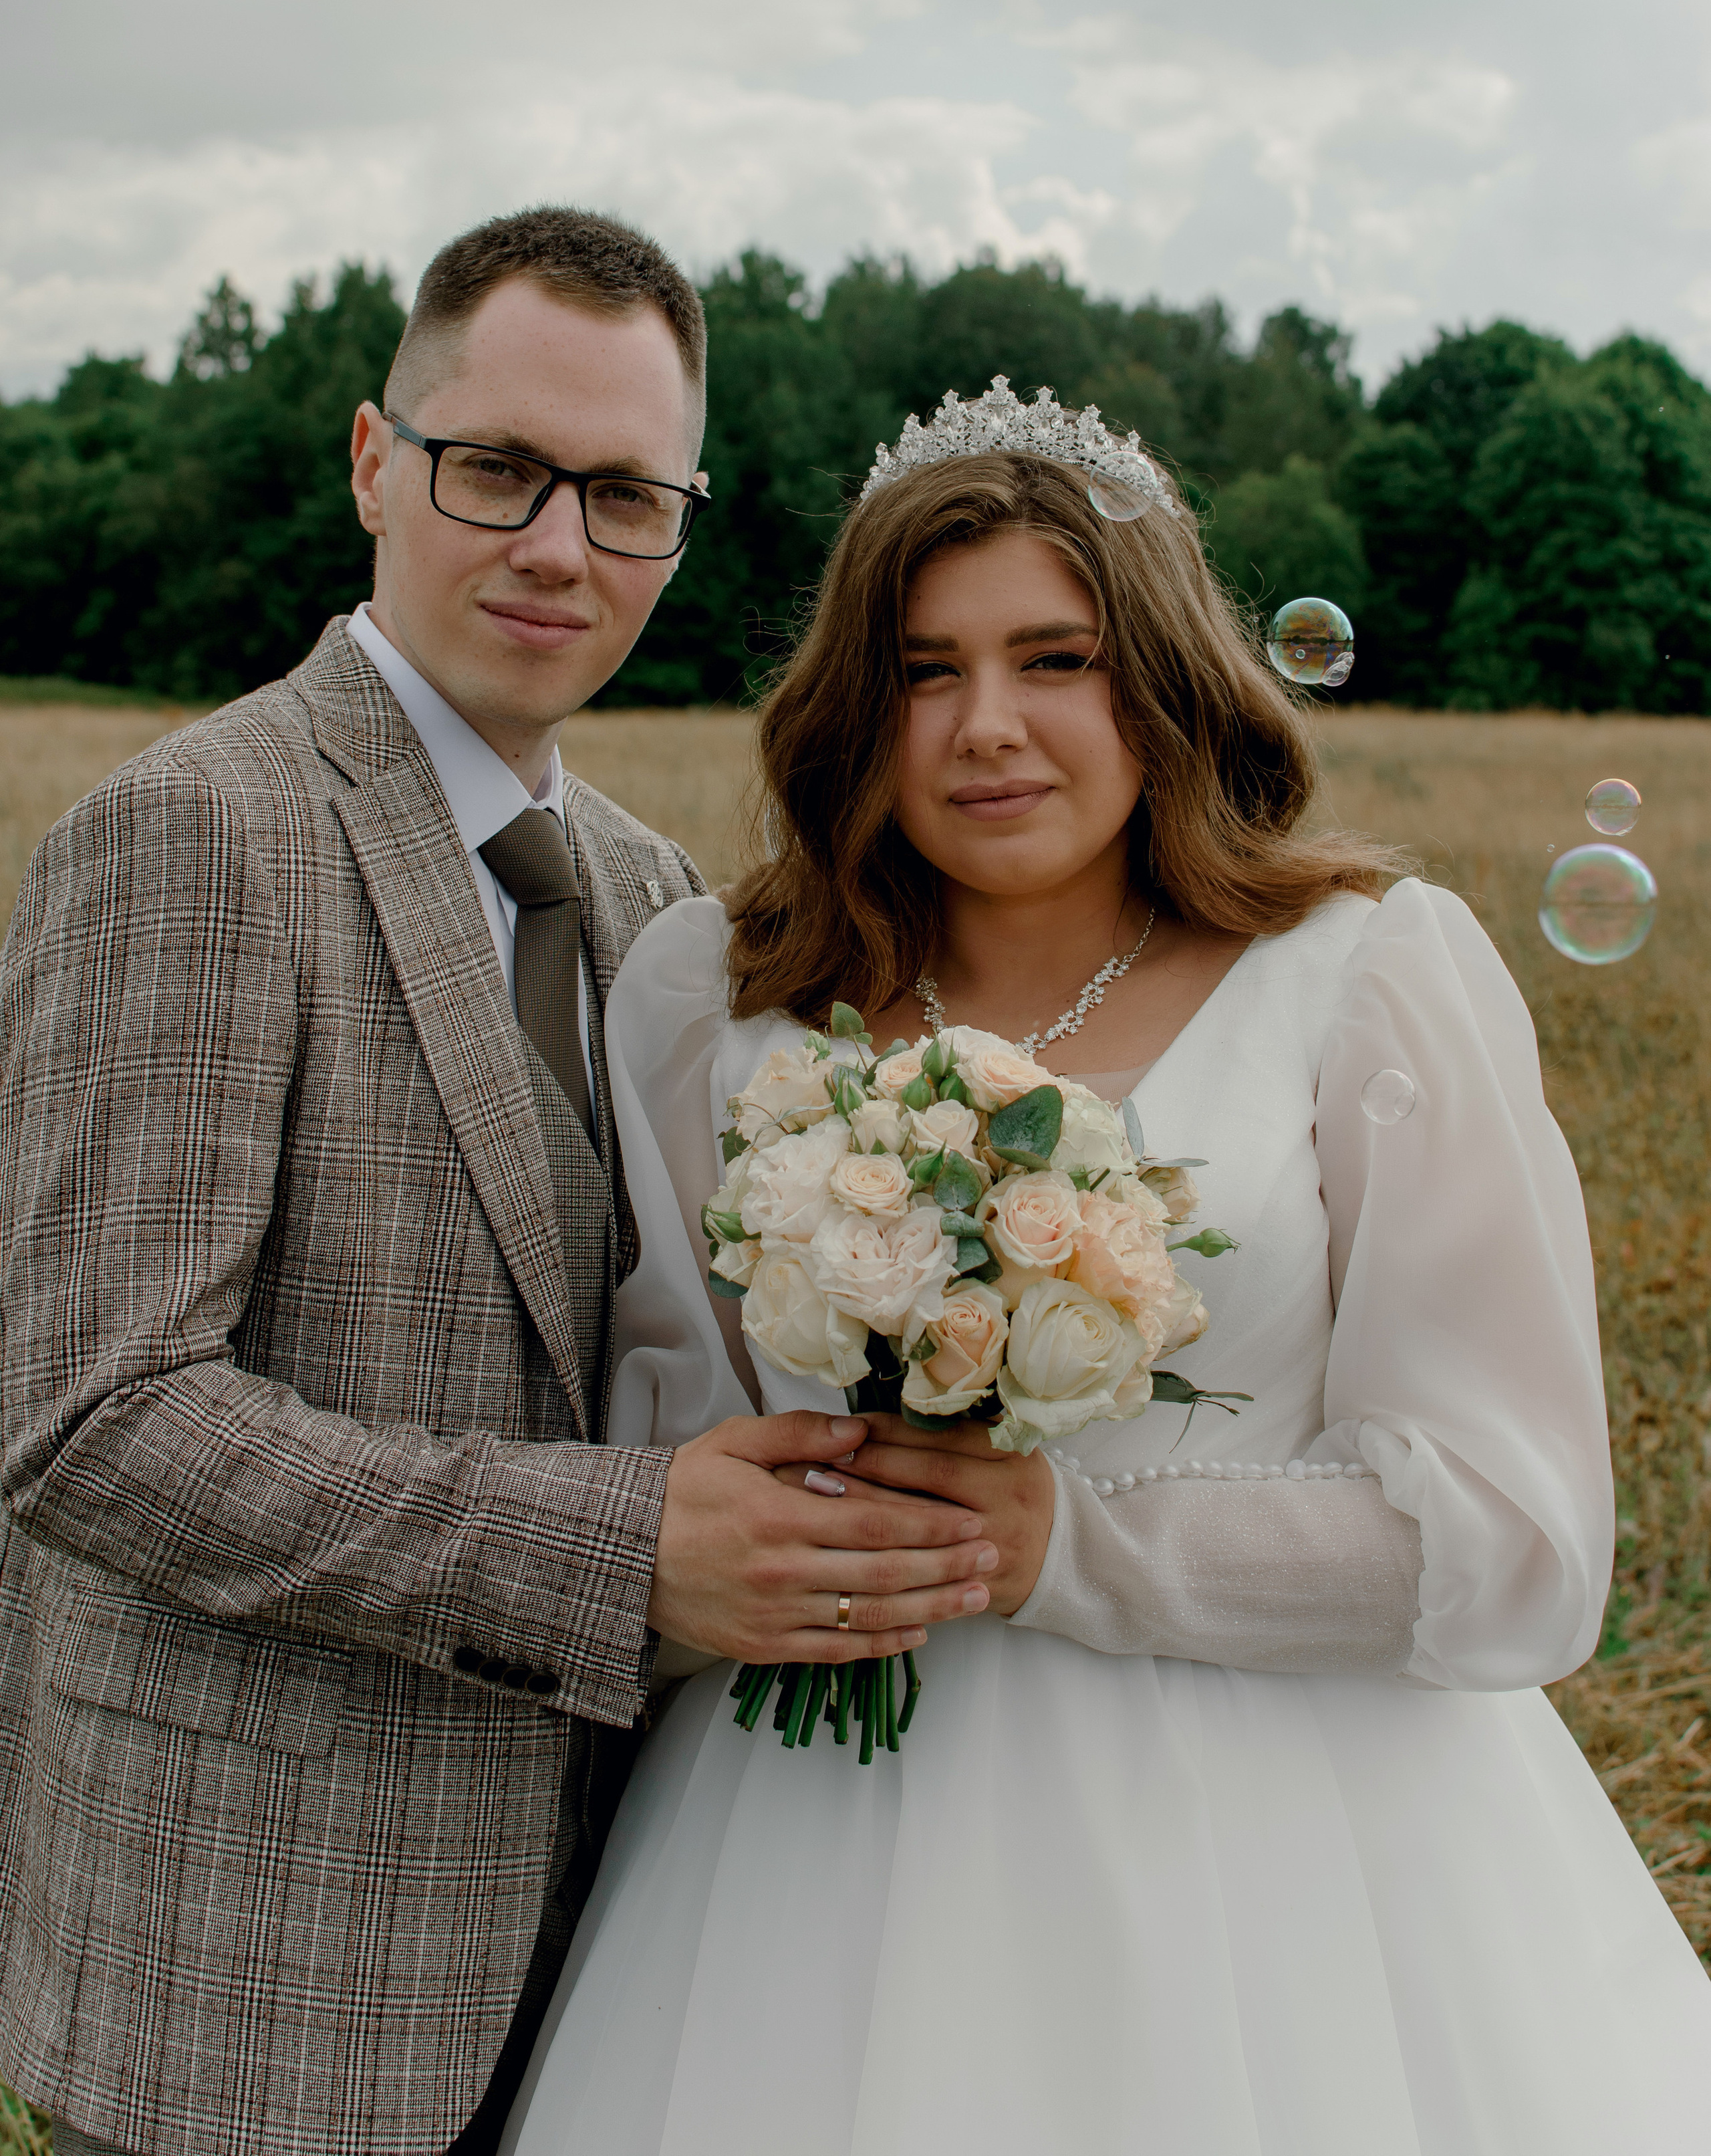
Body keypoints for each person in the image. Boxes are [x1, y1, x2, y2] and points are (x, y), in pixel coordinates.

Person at [502, 378, 1711, 2156]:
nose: (987, 725)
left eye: (1055, 659)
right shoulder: (712, 995)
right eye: (926, 670)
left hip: (1301, 1874)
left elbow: (1519, 1544)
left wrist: (1074, 1544)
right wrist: (717, 1545)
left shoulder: (1370, 976)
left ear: (1159, 677)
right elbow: (670, 1430)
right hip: (804, 1852)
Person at [0, 208, 993, 2156]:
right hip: (256, 1979)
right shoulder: (193, 835)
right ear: (378, 464)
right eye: (499, 470)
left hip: (606, 1964)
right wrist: (623, 1555)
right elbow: (90, 1418)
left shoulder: (652, 903)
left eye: (627, 494)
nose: (559, 544)